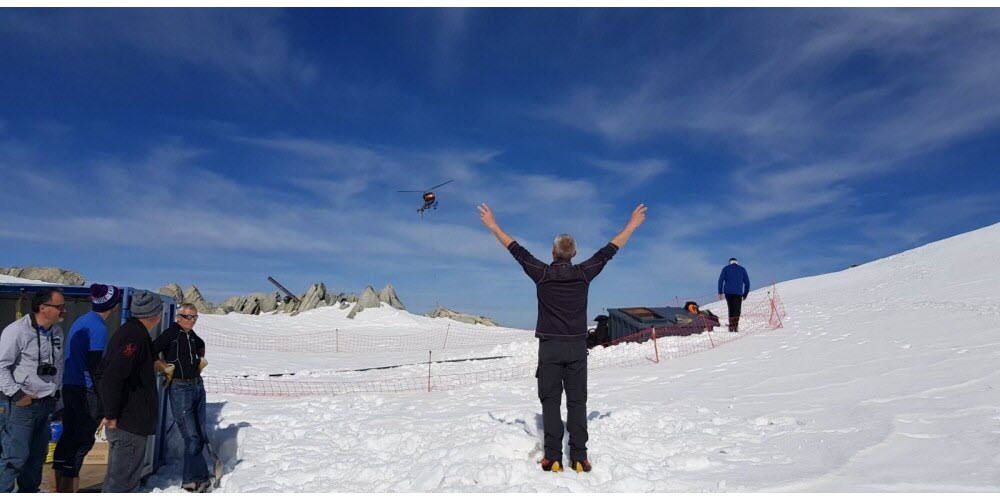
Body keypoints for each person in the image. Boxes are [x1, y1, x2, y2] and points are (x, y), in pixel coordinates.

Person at [479, 202, 646, 473]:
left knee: (551, 402)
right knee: (578, 403)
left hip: (550, 349)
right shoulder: (584, 274)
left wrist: (493, 226)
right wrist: (631, 226)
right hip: (577, 348)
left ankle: (553, 457)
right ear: (574, 254)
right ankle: (580, 457)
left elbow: (516, 251)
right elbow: (609, 251)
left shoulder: (542, 274)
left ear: (553, 252)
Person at [51, 284, 122, 492]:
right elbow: (95, 367)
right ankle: (68, 489)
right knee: (81, 442)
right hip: (86, 390)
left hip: (71, 386)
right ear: (114, 305)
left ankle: (55, 488)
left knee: (67, 438)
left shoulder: (82, 320)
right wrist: (106, 400)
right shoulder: (99, 327)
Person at [0, 288, 66, 493]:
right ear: (43, 308)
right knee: (15, 458)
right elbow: (1, 365)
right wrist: (17, 395)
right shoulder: (17, 330)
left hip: (46, 405)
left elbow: (59, 366)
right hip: (22, 406)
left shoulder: (57, 331)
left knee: (36, 459)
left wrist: (57, 398)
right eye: (59, 307)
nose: (64, 311)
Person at [98, 290, 162, 493]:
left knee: (116, 481)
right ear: (156, 314)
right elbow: (112, 376)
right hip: (129, 424)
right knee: (123, 485)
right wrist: (111, 414)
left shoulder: (133, 332)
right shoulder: (134, 337)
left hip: (128, 421)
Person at [152, 303, 210, 492]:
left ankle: (199, 479)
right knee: (192, 437)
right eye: (188, 317)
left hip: (197, 386)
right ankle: (191, 480)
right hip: (180, 388)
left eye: (195, 317)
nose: (191, 321)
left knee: (199, 435)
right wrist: (164, 367)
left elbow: (201, 345)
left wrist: (199, 361)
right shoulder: (172, 333)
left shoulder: (191, 335)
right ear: (178, 317)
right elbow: (151, 351)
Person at [718, 257, 751, 332]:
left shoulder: (725, 268)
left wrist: (720, 292)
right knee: (737, 310)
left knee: (731, 308)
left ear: (730, 262)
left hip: (728, 293)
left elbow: (720, 280)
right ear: (737, 262)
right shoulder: (742, 269)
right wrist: (745, 294)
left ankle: (731, 326)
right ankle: (735, 326)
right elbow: (747, 283)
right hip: (738, 293)